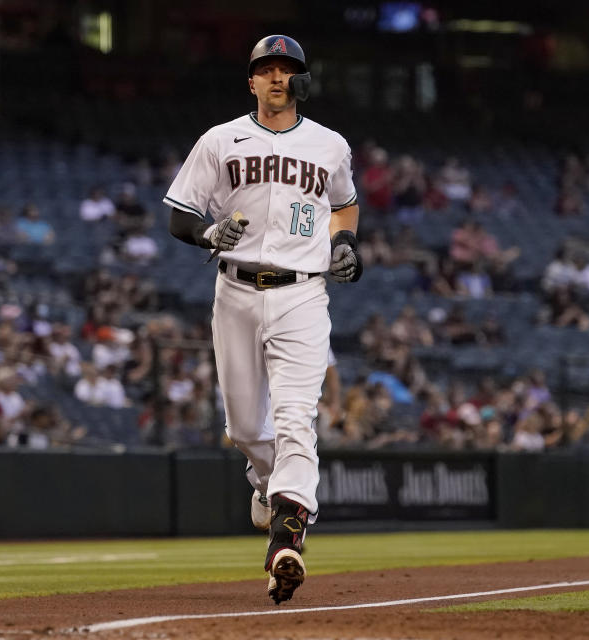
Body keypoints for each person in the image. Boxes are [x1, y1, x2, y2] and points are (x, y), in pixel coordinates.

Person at [166, 35, 361, 605]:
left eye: (287, 70)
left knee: (296, 417)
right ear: (250, 80)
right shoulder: (221, 140)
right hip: (236, 292)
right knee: (248, 429)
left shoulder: (330, 145)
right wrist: (207, 233)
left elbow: (344, 203)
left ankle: (286, 535)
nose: (277, 78)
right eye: (266, 69)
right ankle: (266, 484)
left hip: (303, 295)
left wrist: (344, 241)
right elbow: (180, 213)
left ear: (298, 81)